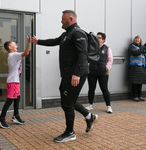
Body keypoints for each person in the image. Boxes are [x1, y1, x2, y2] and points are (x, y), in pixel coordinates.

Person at [32, 10, 98, 143]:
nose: (61, 21)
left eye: (63, 19)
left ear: (71, 19)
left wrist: (77, 74)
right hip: (68, 74)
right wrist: (38, 41)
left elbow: (82, 55)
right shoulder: (66, 34)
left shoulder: (78, 33)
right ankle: (89, 116)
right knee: (69, 100)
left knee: (67, 103)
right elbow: (54, 41)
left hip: (75, 74)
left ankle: (70, 132)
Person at [0, 35, 31, 129]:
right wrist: (28, 42)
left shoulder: (13, 55)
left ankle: (16, 116)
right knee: (10, 100)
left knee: (17, 98)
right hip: (12, 82)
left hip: (15, 81)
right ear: (10, 47)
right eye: (14, 45)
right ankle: (1, 119)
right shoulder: (13, 55)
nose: (16, 46)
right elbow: (26, 53)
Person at [86, 32, 113, 113]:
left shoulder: (107, 48)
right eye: (96, 37)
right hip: (92, 72)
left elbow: (110, 59)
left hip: (103, 73)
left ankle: (109, 106)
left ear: (103, 40)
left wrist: (107, 67)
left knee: (104, 89)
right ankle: (90, 105)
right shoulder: (92, 47)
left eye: (99, 37)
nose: (97, 39)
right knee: (91, 89)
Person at [128, 35, 146, 102]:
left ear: (140, 40)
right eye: (136, 39)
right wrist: (143, 47)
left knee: (140, 82)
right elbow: (136, 53)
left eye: (138, 39)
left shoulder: (142, 48)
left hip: (142, 67)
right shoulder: (132, 47)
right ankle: (135, 96)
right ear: (134, 40)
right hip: (135, 67)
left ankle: (139, 95)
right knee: (135, 83)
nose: (137, 40)